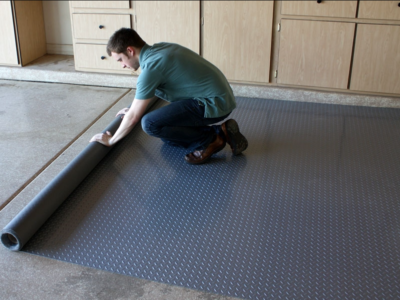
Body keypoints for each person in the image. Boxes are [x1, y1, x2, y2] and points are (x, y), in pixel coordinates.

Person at [90, 28, 248, 164]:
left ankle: (211, 140)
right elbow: (146, 94)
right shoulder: (160, 49)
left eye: (120, 60)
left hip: (213, 104)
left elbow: (133, 118)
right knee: (167, 137)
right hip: (221, 98)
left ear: (130, 51)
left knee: (150, 124)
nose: (123, 65)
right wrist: (133, 109)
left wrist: (111, 140)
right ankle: (221, 131)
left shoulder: (151, 68)